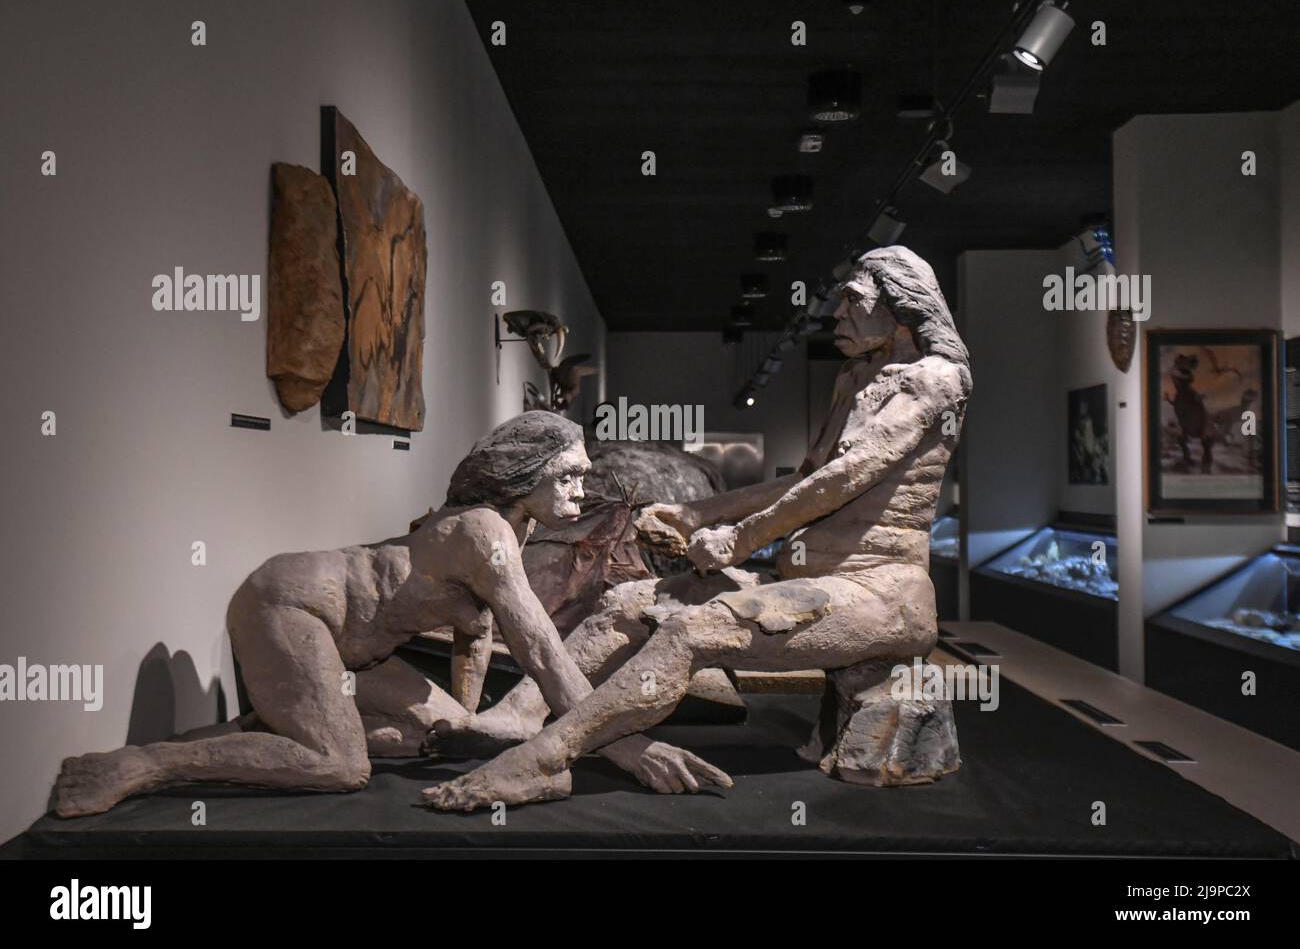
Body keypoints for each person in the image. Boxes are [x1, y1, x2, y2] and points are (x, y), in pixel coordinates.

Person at [423, 246, 973, 812]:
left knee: (692, 632)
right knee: (629, 602)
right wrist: (696, 515)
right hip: (820, 584)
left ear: (901, 305)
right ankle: (517, 717)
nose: (837, 315)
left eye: (855, 300)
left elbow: (846, 477)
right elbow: (807, 477)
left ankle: (542, 761)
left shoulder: (935, 379)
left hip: (881, 593)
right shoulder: (855, 377)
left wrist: (740, 539)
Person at [52, 411, 728, 817]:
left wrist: (464, 720)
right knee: (339, 767)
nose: (580, 493)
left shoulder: (508, 533)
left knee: (433, 734)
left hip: (354, 651)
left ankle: (260, 727)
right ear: (526, 475)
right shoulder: (485, 533)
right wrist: (628, 747)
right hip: (291, 604)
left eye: (582, 477)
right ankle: (143, 765)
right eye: (568, 476)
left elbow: (479, 635)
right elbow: (543, 653)